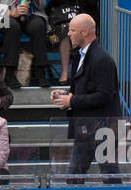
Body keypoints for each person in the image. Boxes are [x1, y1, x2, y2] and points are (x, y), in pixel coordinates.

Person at [52, 14, 121, 181]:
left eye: (72, 30)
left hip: (103, 128)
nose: (68, 33)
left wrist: (72, 100)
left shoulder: (102, 59)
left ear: (84, 33)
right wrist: (65, 97)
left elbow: (104, 96)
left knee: (109, 174)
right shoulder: (79, 56)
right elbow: (81, 91)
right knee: (74, 177)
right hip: (86, 128)